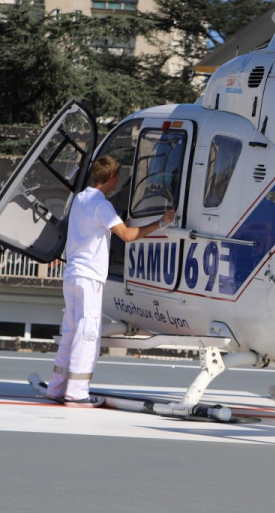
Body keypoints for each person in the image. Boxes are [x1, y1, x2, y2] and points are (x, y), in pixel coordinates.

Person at [46, 156, 175, 407]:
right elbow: (127, 235)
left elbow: (109, 226)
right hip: (89, 278)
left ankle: (56, 387)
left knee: (70, 331)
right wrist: (161, 222)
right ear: (112, 177)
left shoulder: (81, 199)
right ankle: (77, 392)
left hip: (72, 275)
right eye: (118, 177)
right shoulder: (101, 205)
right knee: (88, 332)